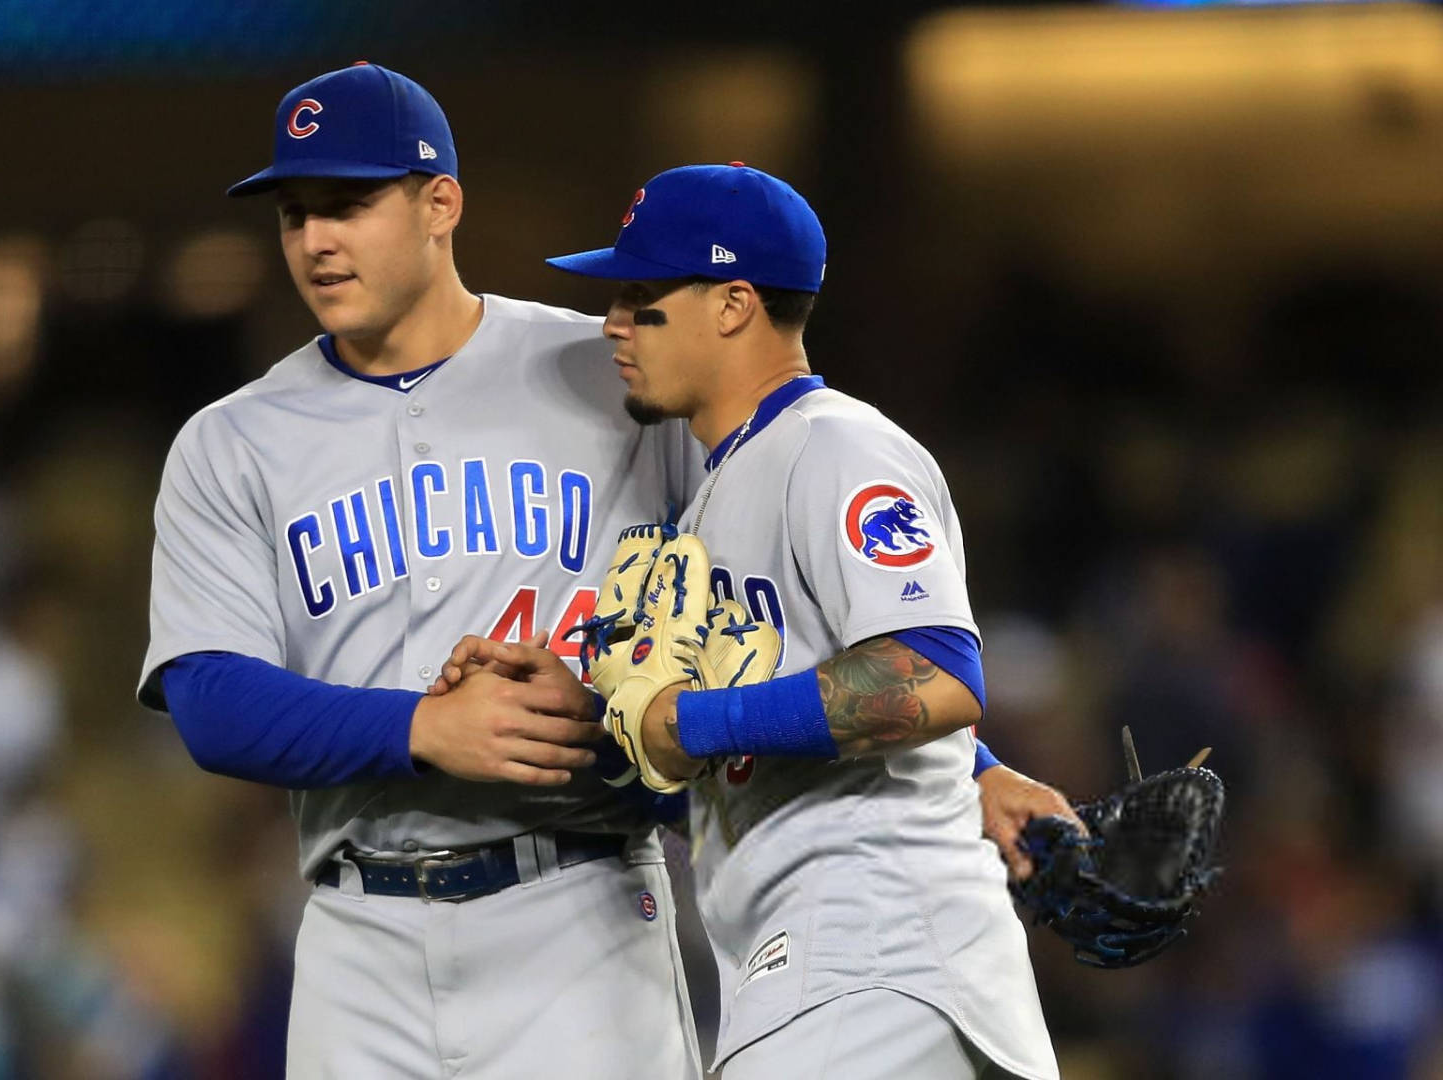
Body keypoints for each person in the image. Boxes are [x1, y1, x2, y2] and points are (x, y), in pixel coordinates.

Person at [141, 65, 1068, 1076]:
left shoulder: (606, 371)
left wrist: (961, 774)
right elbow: (209, 699)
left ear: (439, 202)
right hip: (358, 930)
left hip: (582, 902)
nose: (316, 239)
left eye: (349, 205)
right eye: (294, 214)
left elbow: (790, 599)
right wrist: (420, 728)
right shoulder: (229, 443)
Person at [531, 162, 1060, 1077]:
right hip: (829, 969)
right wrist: (588, 720)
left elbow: (931, 674)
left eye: (642, 295)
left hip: (874, 959)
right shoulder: (717, 491)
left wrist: (687, 720)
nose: (614, 323)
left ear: (734, 303)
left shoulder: (836, 446)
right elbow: (783, 720)